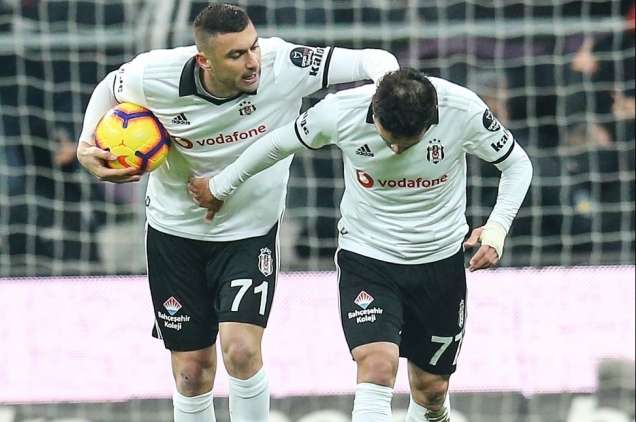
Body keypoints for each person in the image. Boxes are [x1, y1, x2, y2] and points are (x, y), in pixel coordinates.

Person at [76, 4, 399, 421]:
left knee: (242, 350)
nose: (252, 62)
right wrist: (86, 144)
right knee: (192, 370)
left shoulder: (285, 64)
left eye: (253, 47)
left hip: (249, 232)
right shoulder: (154, 75)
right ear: (204, 61)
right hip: (174, 231)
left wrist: (388, 95)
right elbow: (111, 85)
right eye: (236, 55)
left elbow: (374, 59)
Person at [188, 68, 533, 421]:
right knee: (377, 364)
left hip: (438, 260)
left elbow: (517, 164)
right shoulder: (340, 111)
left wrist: (497, 227)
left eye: (408, 141)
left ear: (432, 120)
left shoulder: (462, 109)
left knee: (431, 390)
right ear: (374, 112)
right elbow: (277, 143)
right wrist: (221, 186)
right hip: (368, 257)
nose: (396, 148)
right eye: (389, 138)